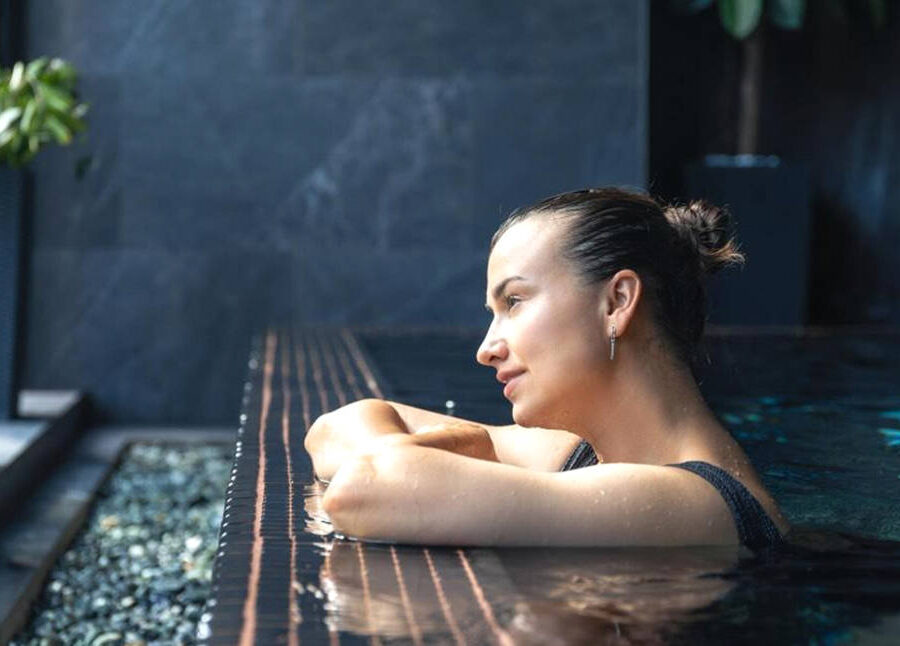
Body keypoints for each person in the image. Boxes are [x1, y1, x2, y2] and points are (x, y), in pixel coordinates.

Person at [305, 187, 791, 549]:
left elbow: (361, 489)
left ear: (616, 302)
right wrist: (456, 449)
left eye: (514, 302)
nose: (487, 348)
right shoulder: (583, 455)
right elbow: (334, 428)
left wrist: (453, 450)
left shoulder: (693, 503)